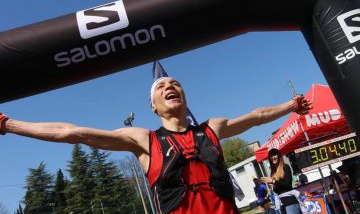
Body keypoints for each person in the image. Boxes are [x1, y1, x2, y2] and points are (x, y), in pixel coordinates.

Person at [0, 77, 312, 214]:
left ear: (184, 97)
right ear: (153, 106)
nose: (170, 87)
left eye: (175, 84)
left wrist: (290, 105)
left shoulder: (211, 129)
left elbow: (257, 117)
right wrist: (8, 125)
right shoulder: (143, 140)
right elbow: (74, 132)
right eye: (161, 86)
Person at [260, 149, 302, 214]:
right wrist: (273, 186)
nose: (273, 157)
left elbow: (288, 185)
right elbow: (277, 191)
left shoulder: (285, 167)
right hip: (282, 204)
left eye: (275, 155)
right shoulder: (273, 172)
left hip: (290, 202)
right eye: (271, 156)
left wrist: (273, 181)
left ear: (279, 156)